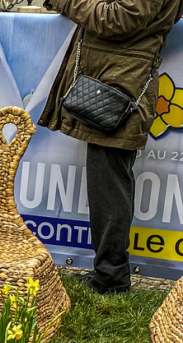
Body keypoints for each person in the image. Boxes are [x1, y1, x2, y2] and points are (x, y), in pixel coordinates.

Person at [39, 0, 183, 294]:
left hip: (121, 85)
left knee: (110, 187)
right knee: (108, 184)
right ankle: (108, 274)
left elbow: (119, 19)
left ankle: (111, 278)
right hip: (117, 81)